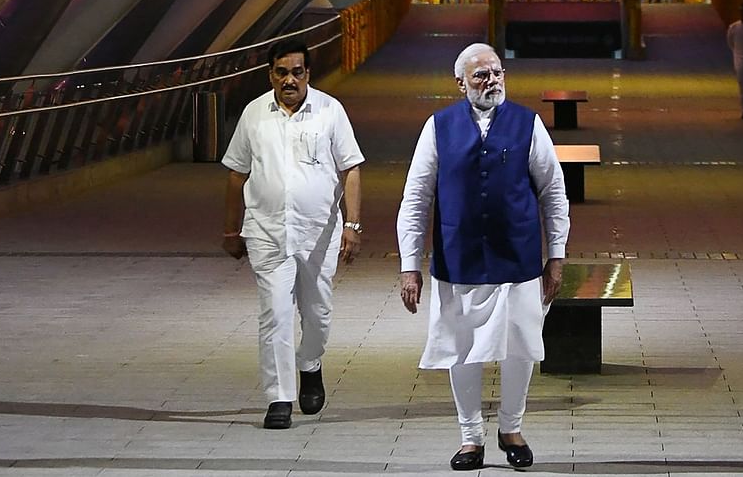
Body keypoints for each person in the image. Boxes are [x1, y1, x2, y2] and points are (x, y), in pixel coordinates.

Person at [397, 43, 570, 471]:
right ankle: (470, 438)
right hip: (460, 259)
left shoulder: (528, 124)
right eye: (481, 75)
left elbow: (553, 192)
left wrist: (557, 255)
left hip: (518, 258)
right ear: (460, 83)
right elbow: (416, 198)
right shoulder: (438, 127)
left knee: (521, 349)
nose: (492, 80)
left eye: (497, 72)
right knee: (462, 349)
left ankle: (511, 428)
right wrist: (409, 266)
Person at [222, 38, 365, 430]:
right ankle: (279, 397)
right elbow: (237, 174)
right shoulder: (254, 115)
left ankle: (311, 363)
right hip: (267, 232)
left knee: (317, 313)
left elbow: (351, 168)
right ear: (270, 74)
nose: (289, 80)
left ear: (307, 74)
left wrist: (352, 225)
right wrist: (231, 229)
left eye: (296, 72)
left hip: (317, 233)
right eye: (281, 72)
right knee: (275, 315)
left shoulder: (330, 111)